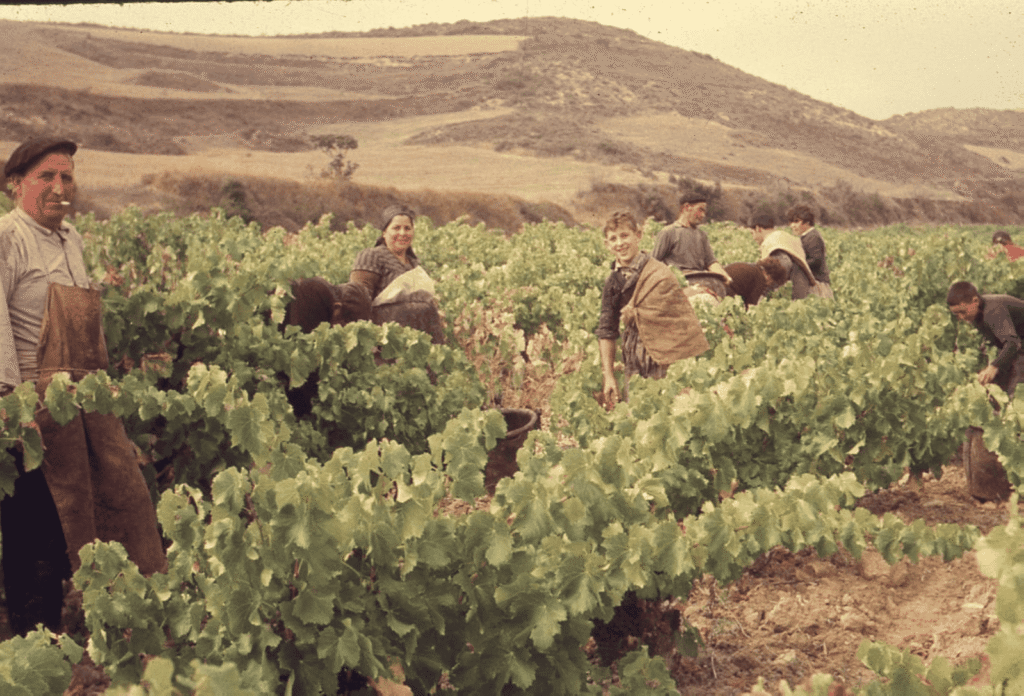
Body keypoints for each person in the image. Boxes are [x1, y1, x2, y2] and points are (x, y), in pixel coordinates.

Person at [0, 136, 167, 635]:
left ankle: (107, 619)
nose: (58, 186)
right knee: (33, 529)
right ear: (15, 186)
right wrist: (13, 402)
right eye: (45, 177)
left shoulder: (70, 238)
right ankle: (34, 639)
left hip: (80, 404)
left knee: (107, 504)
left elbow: (83, 326)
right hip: (31, 411)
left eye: (66, 176)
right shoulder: (8, 236)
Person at [596, 211, 709, 405]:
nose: (619, 243)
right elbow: (607, 329)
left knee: (669, 411)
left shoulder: (659, 273)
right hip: (634, 360)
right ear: (607, 245)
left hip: (666, 359)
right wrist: (609, 376)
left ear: (638, 236)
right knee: (637, 415)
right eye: (613, 239)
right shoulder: (613, 281)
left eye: (624, 236)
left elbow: (680, 321)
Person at [348, 204, 444, 344]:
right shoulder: (371, 256)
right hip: (387, 344)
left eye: (407, 228)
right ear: (384, 232)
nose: (403, 233)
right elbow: (357, 302)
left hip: (419, 341)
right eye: (396, 228)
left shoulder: (414, 264)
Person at [947, 281, 1024, 395]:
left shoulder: (992, 311)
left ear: (975, 301)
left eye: (963, 312)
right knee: (996, 385)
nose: (961, 317)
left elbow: (1013, 344)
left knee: (1016, 391)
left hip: (1018, 345)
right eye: (956, 314)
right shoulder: (976, 313)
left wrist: (993, 366)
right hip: (1019, 342)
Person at [652, 192, 731, 302]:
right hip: (680, 282)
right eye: (700, 210)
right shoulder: (668, 232)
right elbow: (654, 262)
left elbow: (711, 262)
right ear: (687, 207)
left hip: (703, 279)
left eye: (704, 211)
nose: (703, 215)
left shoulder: (702, 235)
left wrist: (725, 276)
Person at [751, 213, 816, 300]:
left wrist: (765, 290)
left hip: (795, 291)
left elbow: (784, 263)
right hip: (803, 286)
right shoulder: (783, 236)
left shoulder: (772, 241)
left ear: (758, 228)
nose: (753, 238)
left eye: (752, 233)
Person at [787, 204, 833, 299]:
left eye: (796, 222)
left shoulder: (813, 237)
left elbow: (815, 261)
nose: (792, 226)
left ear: (807, 222)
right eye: (791, 222)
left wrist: (794, 266)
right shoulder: (806, 237)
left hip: (817, 284)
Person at [724, 257, 788, 309]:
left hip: (719, 280)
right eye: (772, 283)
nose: (768, 285)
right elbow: (751, 306)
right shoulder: (760, 279)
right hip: (725, 288)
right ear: (770, 277)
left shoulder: (754, 268)